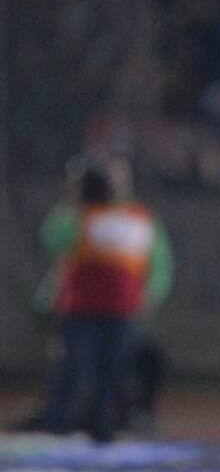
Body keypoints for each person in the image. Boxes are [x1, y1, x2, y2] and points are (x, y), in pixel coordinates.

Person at [36, 158, 173, 442]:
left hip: (120, 309)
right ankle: (59, 425)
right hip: (80, 308)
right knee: (74, 366)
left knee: (112, 369)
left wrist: (150, 293)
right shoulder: (81, 215)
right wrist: (74, 204)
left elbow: (159, 261)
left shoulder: (138, 216)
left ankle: (101, 426)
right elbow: (52, 240)